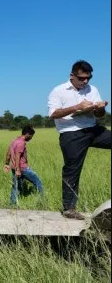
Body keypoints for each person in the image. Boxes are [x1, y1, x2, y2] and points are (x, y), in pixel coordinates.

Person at [47, 60, 110, 220]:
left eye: (88, 78)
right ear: (72, 76)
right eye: (82, 78)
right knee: (72, 169)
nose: (85, 81)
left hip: (93, 129)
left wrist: (100, 109)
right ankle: (69, 209)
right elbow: (53, 114)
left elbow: (99, 115)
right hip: (71, 134)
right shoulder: (58, 91)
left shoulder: (92, 89)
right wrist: (77, 107)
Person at [4, 125, 43, 205]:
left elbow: (8, 154)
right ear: (28, 134)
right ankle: (42, 200)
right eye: (31, 136)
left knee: (16, 186)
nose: (31, 138)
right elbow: (18, 156)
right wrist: (18, 170)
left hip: (14, 167)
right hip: (22, 168)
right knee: (38, 182)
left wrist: (6, 164)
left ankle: (13, 203)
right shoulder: (21, 143)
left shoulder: (14, 141)